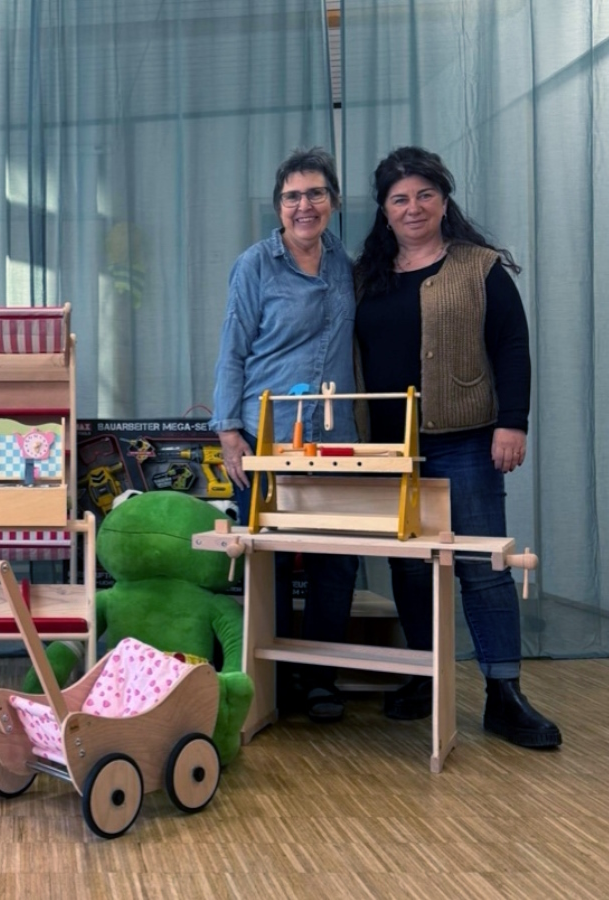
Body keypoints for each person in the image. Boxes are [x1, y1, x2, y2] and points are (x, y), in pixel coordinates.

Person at [353, 146, 561, 748]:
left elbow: (512, 345)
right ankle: (425, 676)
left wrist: (512, 422)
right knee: (409, 569)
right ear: (384, 210)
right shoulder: (366, 275)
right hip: (391, 449)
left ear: (444, 201)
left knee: (482, 567)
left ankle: (504, 693)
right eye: (400, 199)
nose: (413, 207)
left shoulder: (480, 267)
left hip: (466, 441)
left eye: (425, 194)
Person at [211, 147, 360, 723]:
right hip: (264, 437)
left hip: (333, 438)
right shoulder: (254, 265)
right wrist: (229, 431)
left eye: (315, 193)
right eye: (292, 196)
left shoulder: (345, 263)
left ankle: (318, 677)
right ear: (278, 207)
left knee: (335, 563)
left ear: (333, 201)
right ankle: (267, 684)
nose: (305, 205)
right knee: (268, 563)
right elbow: (232, 349)